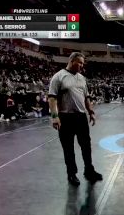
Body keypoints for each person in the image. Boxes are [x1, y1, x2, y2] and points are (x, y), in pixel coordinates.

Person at [48, 52, 102, 186]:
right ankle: (71, 174)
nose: (82, 66)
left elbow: (86, 97)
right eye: (80, 63)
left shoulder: (82, 78)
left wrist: (91, 111)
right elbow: (52, 98)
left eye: (83, 63)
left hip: (81, 117)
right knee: (68, 148)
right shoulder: (58, 77)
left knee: (86, 146)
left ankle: (89, 171)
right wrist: (55, 117)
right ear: (72, 61)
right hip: (65, 117)